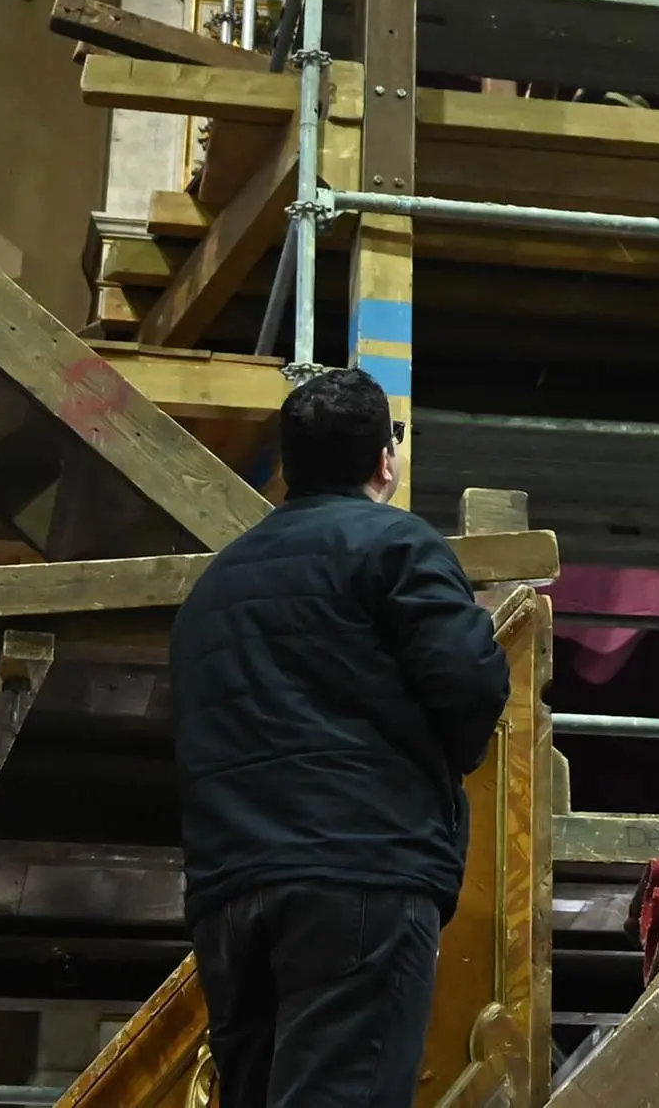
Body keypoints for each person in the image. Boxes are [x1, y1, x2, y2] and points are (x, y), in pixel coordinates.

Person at [170, 369, 511, 1108]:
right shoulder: (395, 544)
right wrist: (448, 761)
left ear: (289, 465)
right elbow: (472, 680)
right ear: (385, 460)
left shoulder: (215, 586)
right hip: (360, 872)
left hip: (230, 892)